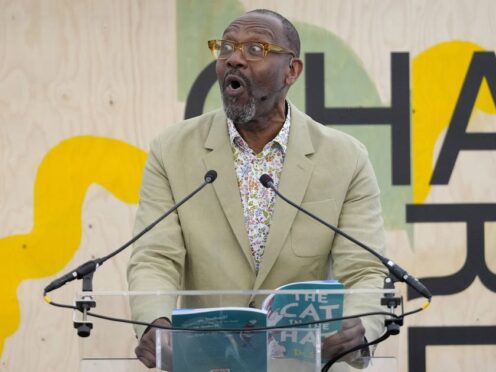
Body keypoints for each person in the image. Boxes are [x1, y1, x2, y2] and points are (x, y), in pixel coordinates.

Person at [127, 9, 388, 370]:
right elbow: (155, 257)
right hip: (206, 361)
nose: (234, 58)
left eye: (255, 49)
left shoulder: (345, 158)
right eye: (227, 48)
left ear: (291, 71)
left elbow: (365, 271)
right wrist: (155, 323)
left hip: (304, 364)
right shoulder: (172, 151)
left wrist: (359, 326)